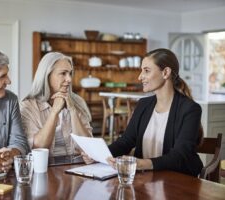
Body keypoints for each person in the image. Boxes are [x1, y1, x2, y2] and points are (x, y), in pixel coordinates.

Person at [83, 48, 203, 176]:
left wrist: (141, 164)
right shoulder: (143, 105)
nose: (140, 77)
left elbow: (180, 156)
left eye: (146, 71)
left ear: (165, 72)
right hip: (146, 179)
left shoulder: (190, 109)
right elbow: (126, 141)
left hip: (178, 181)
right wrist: (100, 154)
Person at [20, 52, 92, 157]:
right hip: (45, 166)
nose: (69, 79)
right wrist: (54, 112)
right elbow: (38, 148)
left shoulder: (77, 102)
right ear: (47, 76)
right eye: (63, 73)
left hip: (76, 165)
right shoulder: (28, 106)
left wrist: (72, 110)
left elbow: (88, 147)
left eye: (70, 73)